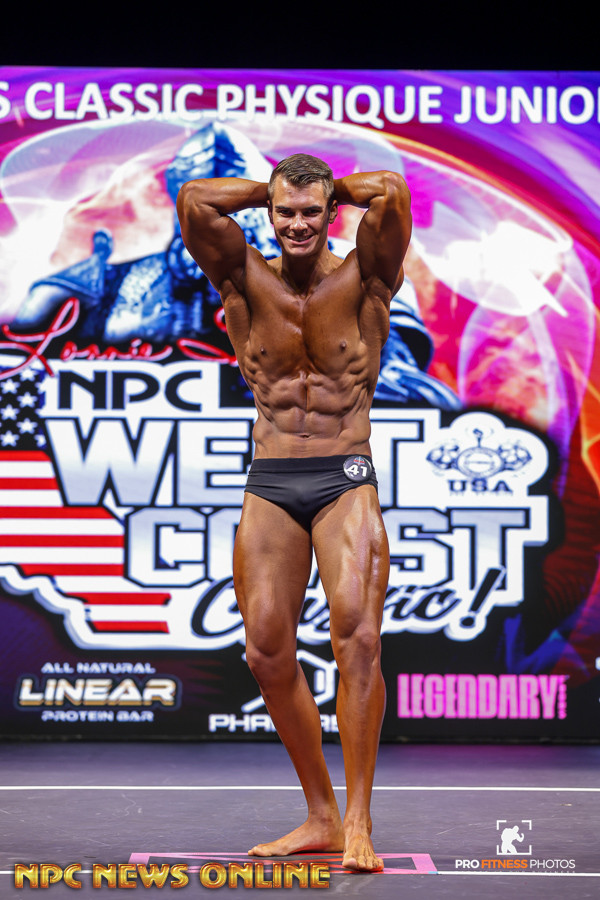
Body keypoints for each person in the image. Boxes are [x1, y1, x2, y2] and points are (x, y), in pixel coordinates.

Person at [177, 153, 412, 873]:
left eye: (313, 212)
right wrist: (272, 187)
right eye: (286, 212)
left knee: (358, 638)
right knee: (267, 651)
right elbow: (194, 200)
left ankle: (360, 818)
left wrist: (325, 188)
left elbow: (392, 190)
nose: (299, 224)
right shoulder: (241, 276)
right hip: (272, 477)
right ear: (270, 213)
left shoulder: (367, 275)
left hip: (344, 475)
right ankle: (321, 815)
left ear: (332, 212)